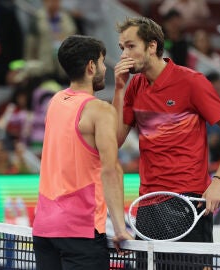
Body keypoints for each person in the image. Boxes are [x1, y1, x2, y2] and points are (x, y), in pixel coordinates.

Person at [113, 16, 220, 247]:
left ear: (152, 46)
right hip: (148, 202)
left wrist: (219, 182)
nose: (124, 54)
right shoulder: (134, 86)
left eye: (131, 46)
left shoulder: (191, 82)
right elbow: (113, 140)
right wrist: (118, 89)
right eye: (122, 48)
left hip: (189, 201)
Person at [32, 35, 133, 270]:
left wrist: (119, 90)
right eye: (101, 61)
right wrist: (119, 228)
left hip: (45, 230)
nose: (104, 67)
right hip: (81, 233)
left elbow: (110, 139)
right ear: (91, 67)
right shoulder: (99, 111)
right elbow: (111, 169)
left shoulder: (56, 101)